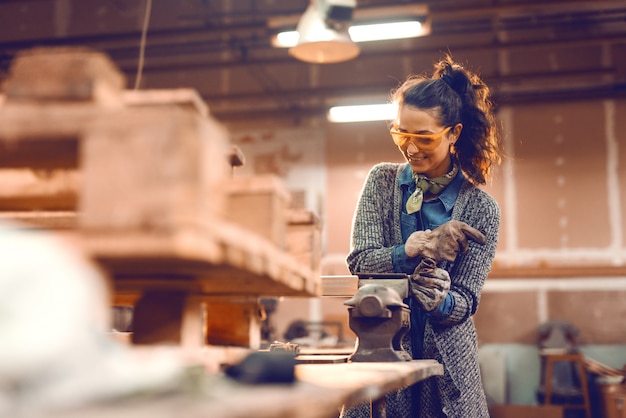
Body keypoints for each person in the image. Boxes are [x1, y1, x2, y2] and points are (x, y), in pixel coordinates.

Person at [341, 55, 502, 418]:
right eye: (402, 134)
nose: (411, 148)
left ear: (454, 134)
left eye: (423, 138)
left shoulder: (481, 209)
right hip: (379, 355)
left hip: (447, 370)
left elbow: (466, 301)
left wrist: (440, 300)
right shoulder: (382, 182)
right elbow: (360, 261)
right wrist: (409, 250)